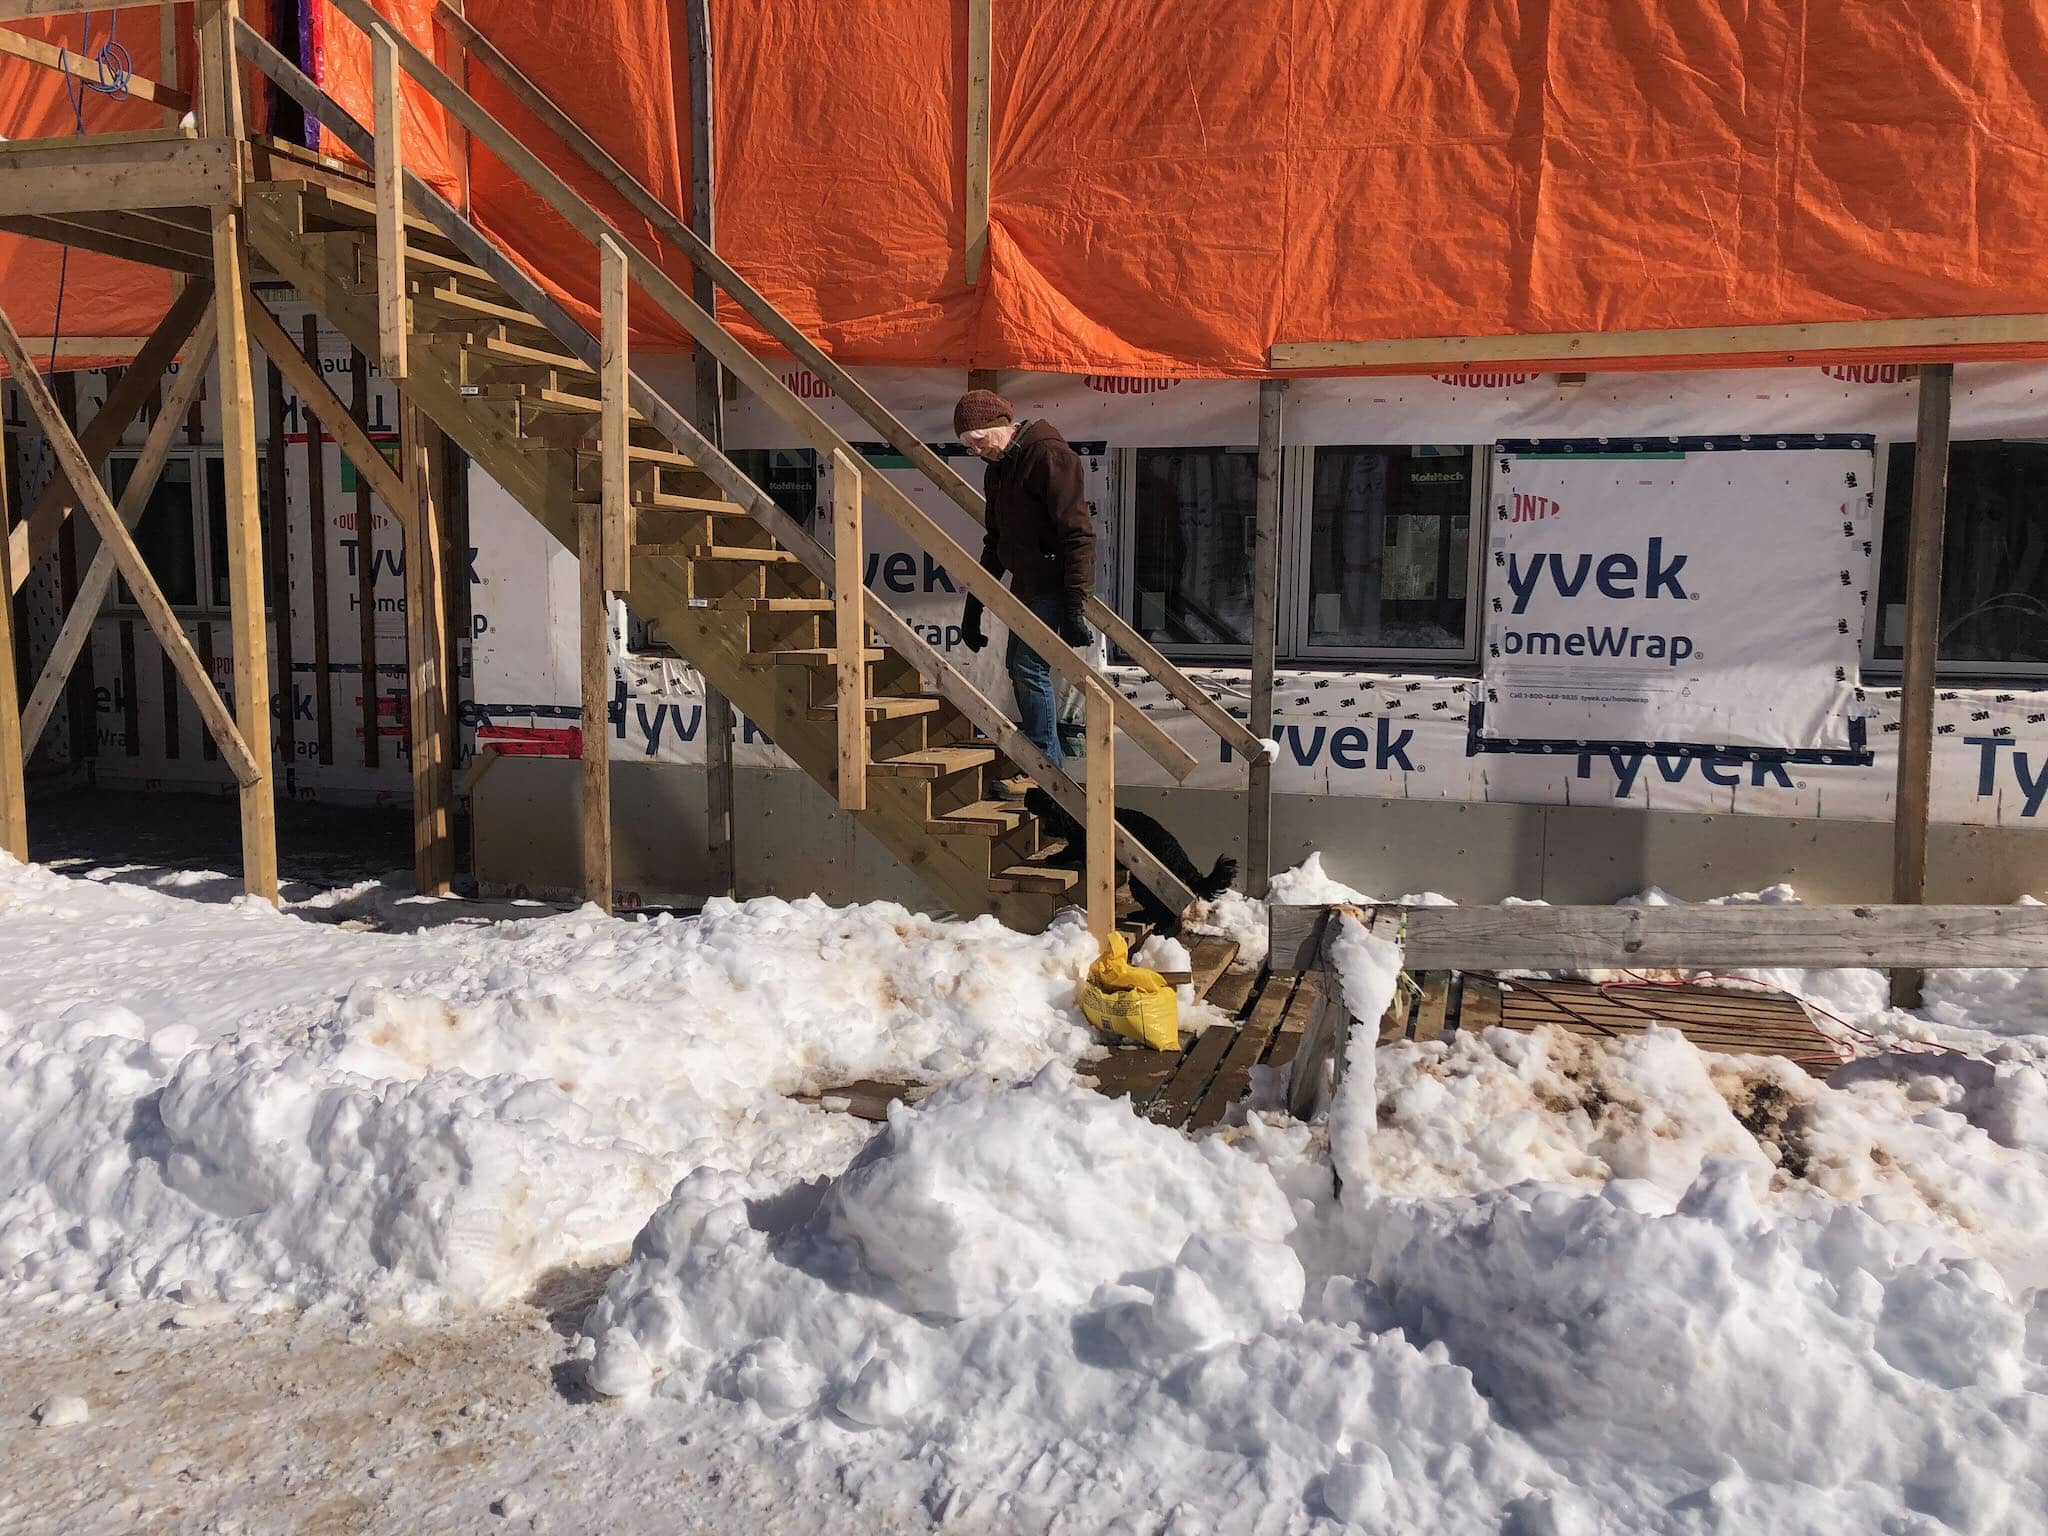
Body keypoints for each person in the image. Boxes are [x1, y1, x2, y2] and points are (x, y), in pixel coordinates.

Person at [953, 388, 1095, 768]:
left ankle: (1045, 764)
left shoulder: (1048, 455)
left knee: (1028, 667)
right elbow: (996, 541)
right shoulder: (998, 470)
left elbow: (1078, 533)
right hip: (1027, 583)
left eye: (979, 441)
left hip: (1054, 582)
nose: (978, 451)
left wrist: (1074, 601)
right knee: (1017, 666)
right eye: (969, 447)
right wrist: (975, 604)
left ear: (1000, 426)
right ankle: (1044, 759)